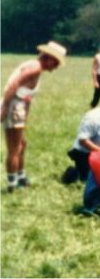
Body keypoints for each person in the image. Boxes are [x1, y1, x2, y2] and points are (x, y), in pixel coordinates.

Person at [1, 41, 66, 192]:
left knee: (22, 145)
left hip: (18, 107)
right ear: (48, 58)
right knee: (14, 149)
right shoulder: (35, 68)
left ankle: (21, 177)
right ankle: (13, 184)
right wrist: (4, 107)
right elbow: (13, 85)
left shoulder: (35, 67)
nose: (55, 67)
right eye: (55, 63)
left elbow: (26, 96)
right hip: (14, 107)